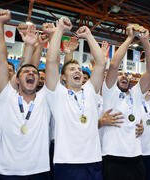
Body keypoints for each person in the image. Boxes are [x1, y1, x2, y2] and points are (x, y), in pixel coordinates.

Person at [0, 10, 51, 179]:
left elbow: (51, 63)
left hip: (40, 172)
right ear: (17, 79)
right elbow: (0, 58)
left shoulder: (45, 98)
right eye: (25, 72)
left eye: (34, 72)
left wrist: (39, 45)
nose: (31, 73)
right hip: (6, 172)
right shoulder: (5, 96)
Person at [45, 17, 105, 180]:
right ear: (63, 77)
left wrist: (89, 36)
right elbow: (51, 61)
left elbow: (100, 63)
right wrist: (59, 30)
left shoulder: (90, 90)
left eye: (79, 68)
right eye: (72, 69)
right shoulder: (57, 93)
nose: (77, 71)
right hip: (67, 162)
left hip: (93, 160)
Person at [101, 24, 150, 180]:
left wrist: (145, 40)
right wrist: (130, 38)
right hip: (112, 157)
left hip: (136, 157)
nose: (124, 76)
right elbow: (113, 65)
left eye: (126, 74)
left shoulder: (136, 93)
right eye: (120, 74)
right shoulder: (109, 91)